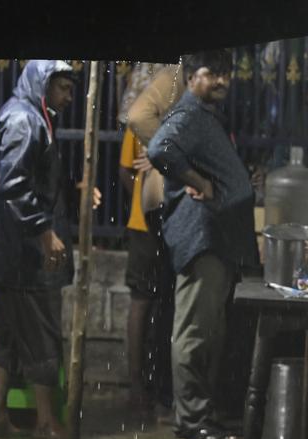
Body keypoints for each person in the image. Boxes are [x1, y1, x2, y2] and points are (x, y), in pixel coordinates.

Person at [0, 60, 99, 439]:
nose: (69, 97)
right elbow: (15, 185)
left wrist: (72, 192)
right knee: (42, 332)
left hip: (7, 250)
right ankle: (46, 421)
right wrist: (43, 232)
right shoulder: (25, 121)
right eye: (63, 88)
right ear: (42, 84)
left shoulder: (21, 116)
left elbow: (32, 178)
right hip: (24, 253)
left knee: (5, 333)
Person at [147, 50, 258, 439]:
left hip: (218, 239)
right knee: (194, 333)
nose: (223, 81)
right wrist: (199, 180)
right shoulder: (189, 113)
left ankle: (202, 414)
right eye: (214, 74)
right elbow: (158, 149)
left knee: (210, 332)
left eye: (227, 74)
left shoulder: (205, 116)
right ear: (193, 77)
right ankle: (192, 419)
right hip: (201, 237)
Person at [119, 63, 180, 418]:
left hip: (173, 225)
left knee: (165, 304)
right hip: (144, 226)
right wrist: (145, 199)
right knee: (143, 302)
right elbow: (125, 171)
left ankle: (162, 386)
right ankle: (137, 385)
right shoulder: (141, 123)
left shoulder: (176, 124)